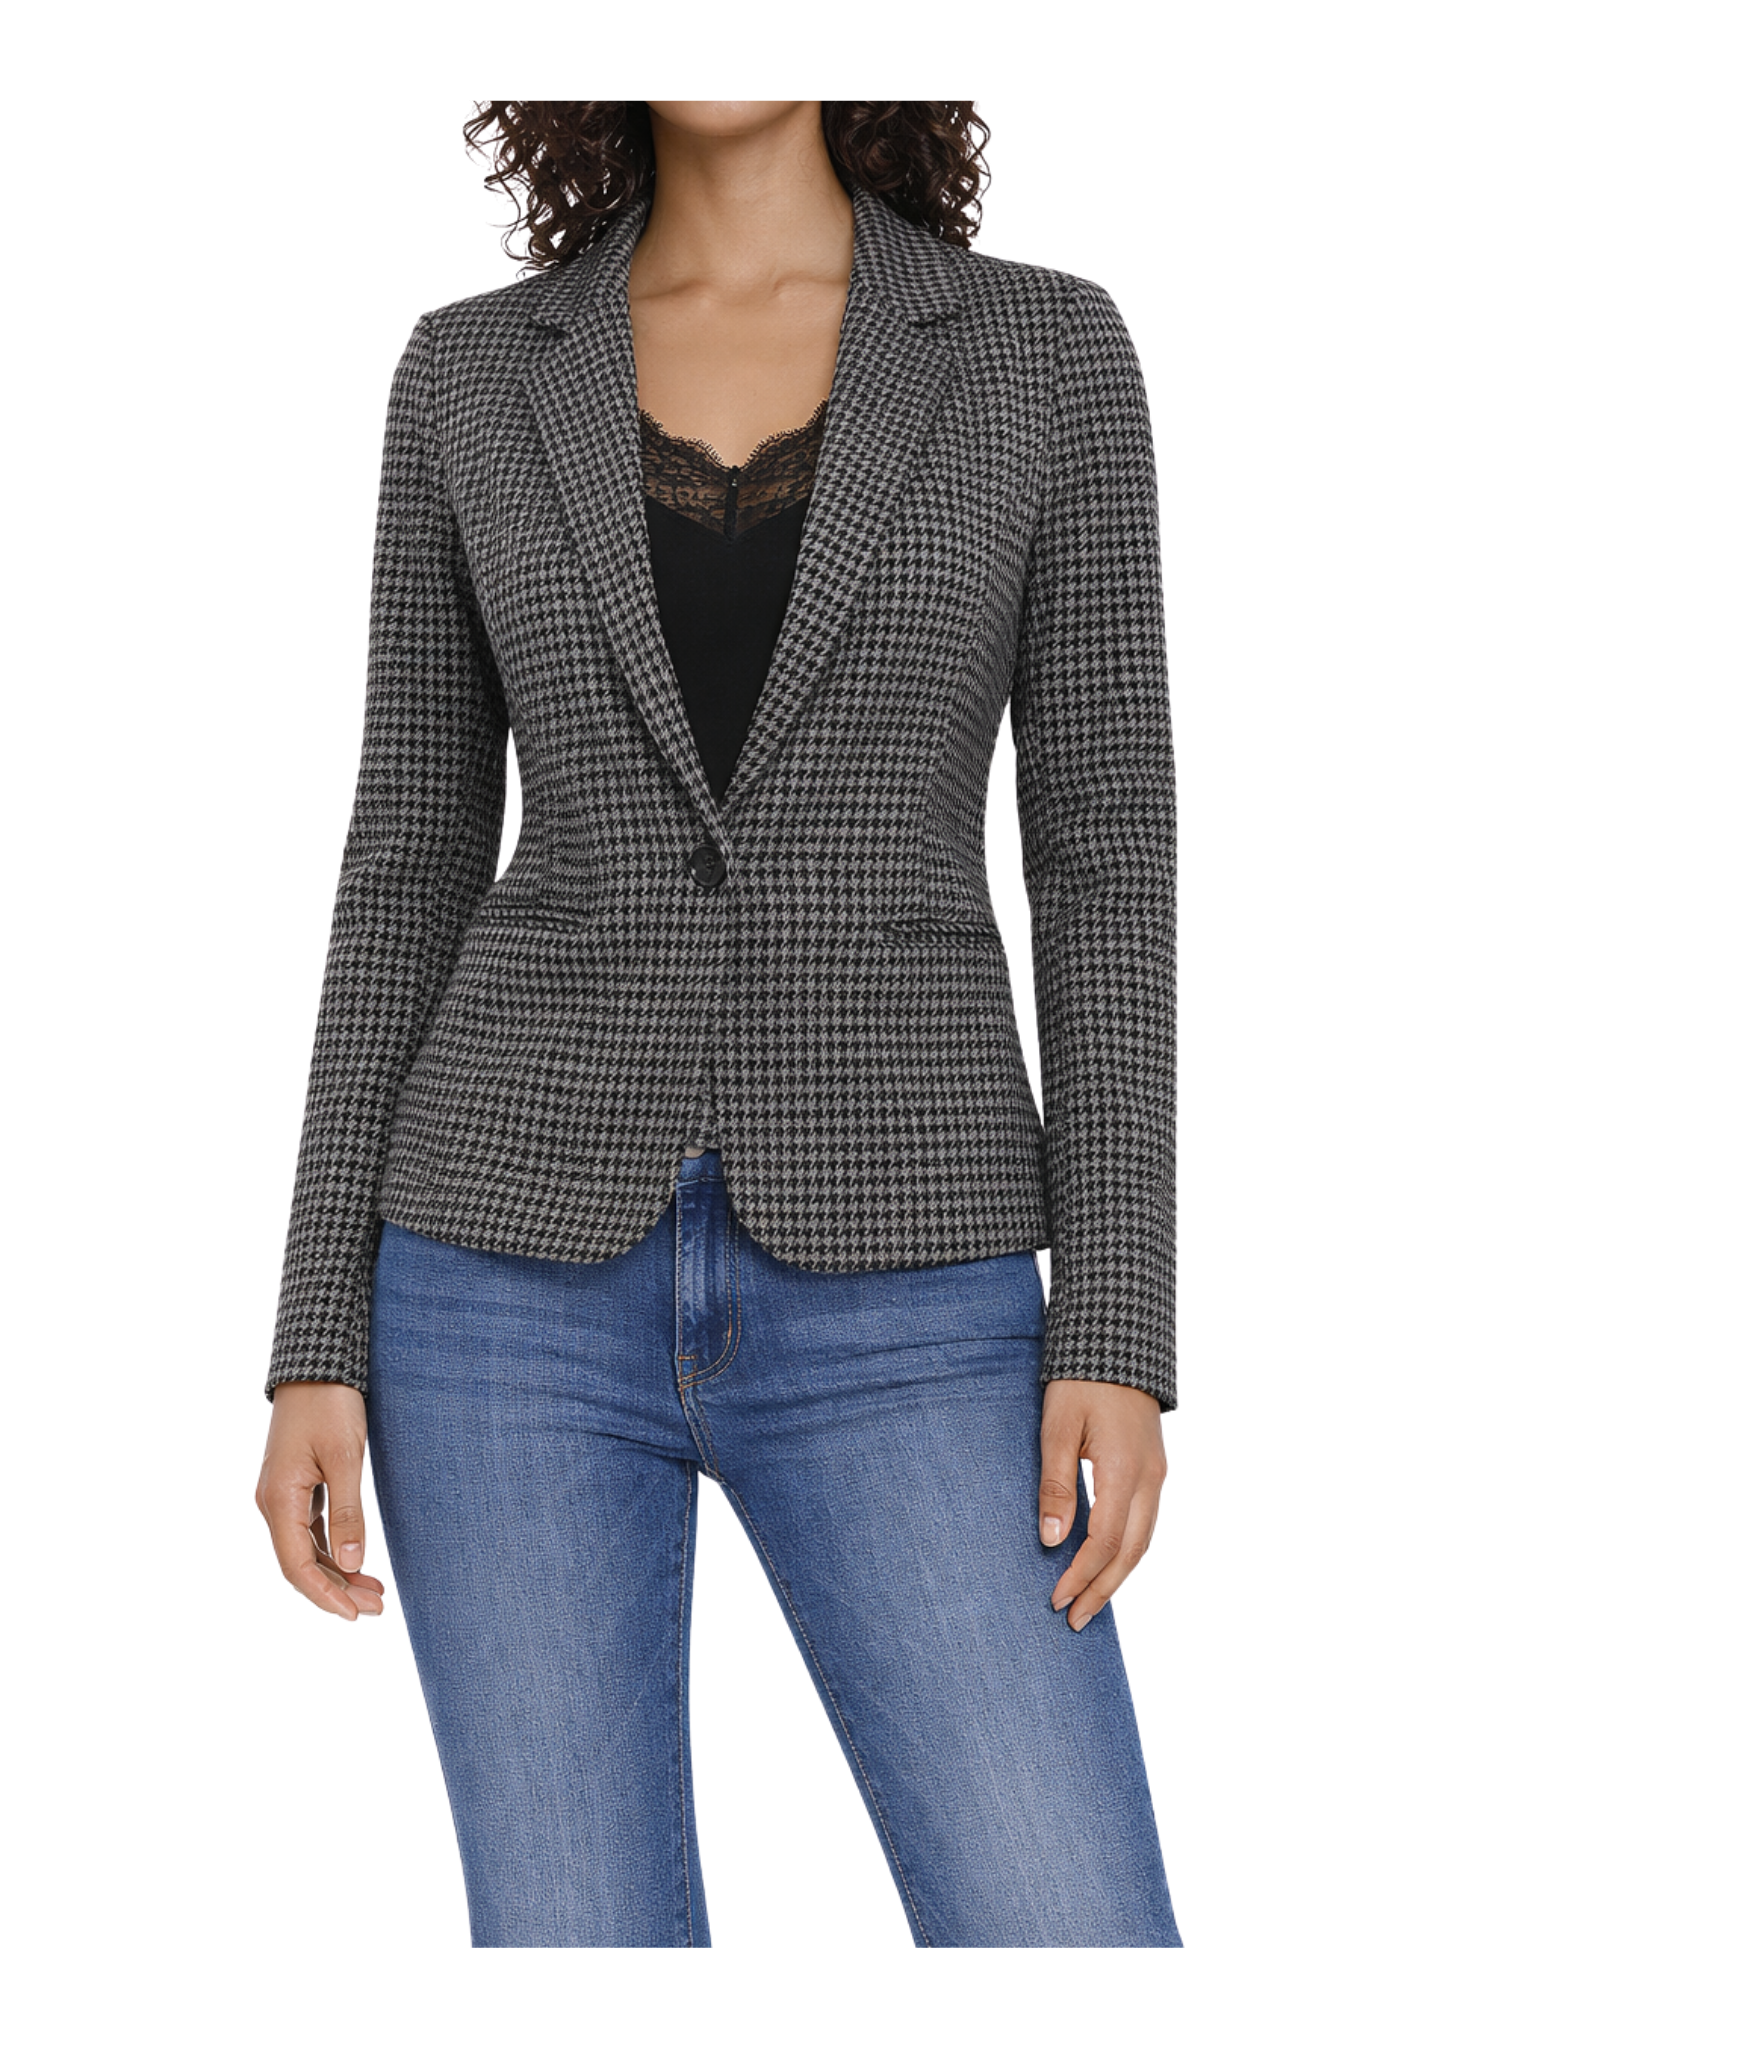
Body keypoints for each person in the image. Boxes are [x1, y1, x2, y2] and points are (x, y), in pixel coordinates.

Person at [254, 99, 1181, 1949]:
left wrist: (1121, 1317)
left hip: (910, 1274)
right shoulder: (469, 374)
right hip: (498, 1281)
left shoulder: (1043, 352)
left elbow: (1105, 852)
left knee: (1064, 1932)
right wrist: (312, 1332)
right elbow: (409, 852)